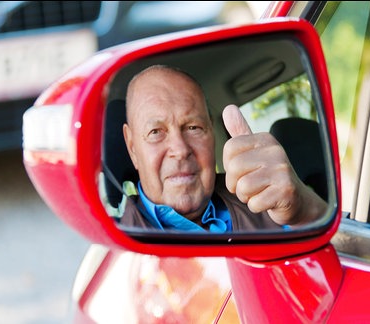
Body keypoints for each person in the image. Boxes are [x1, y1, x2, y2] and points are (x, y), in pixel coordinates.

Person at [119, 65, 327, 232]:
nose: (180, 149)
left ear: (211, 130)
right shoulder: (118, 256)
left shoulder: (264, 201)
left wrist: (305, 210)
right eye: (156, 132)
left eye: (193, 127)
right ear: (132, 147)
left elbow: (346, 255)